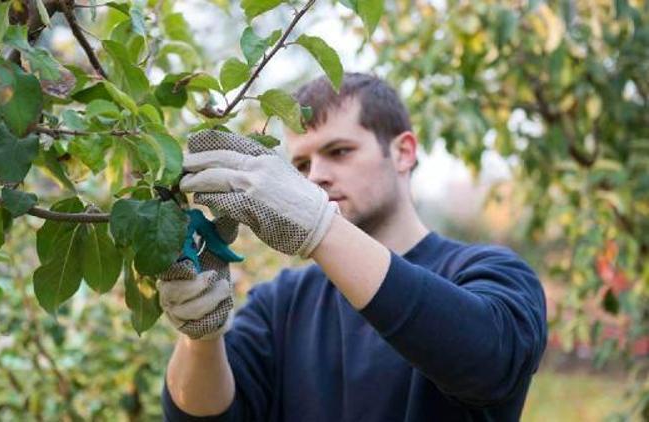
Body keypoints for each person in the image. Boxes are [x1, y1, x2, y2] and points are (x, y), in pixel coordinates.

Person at [157, 72, 547, 421]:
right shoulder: (281, 303)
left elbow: (490, 363)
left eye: (339, 151)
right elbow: (204, 415)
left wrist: (319, 227)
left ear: (403, 152)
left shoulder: (492, 272)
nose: (318, 176)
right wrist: (201, 336)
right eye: (302, 165)